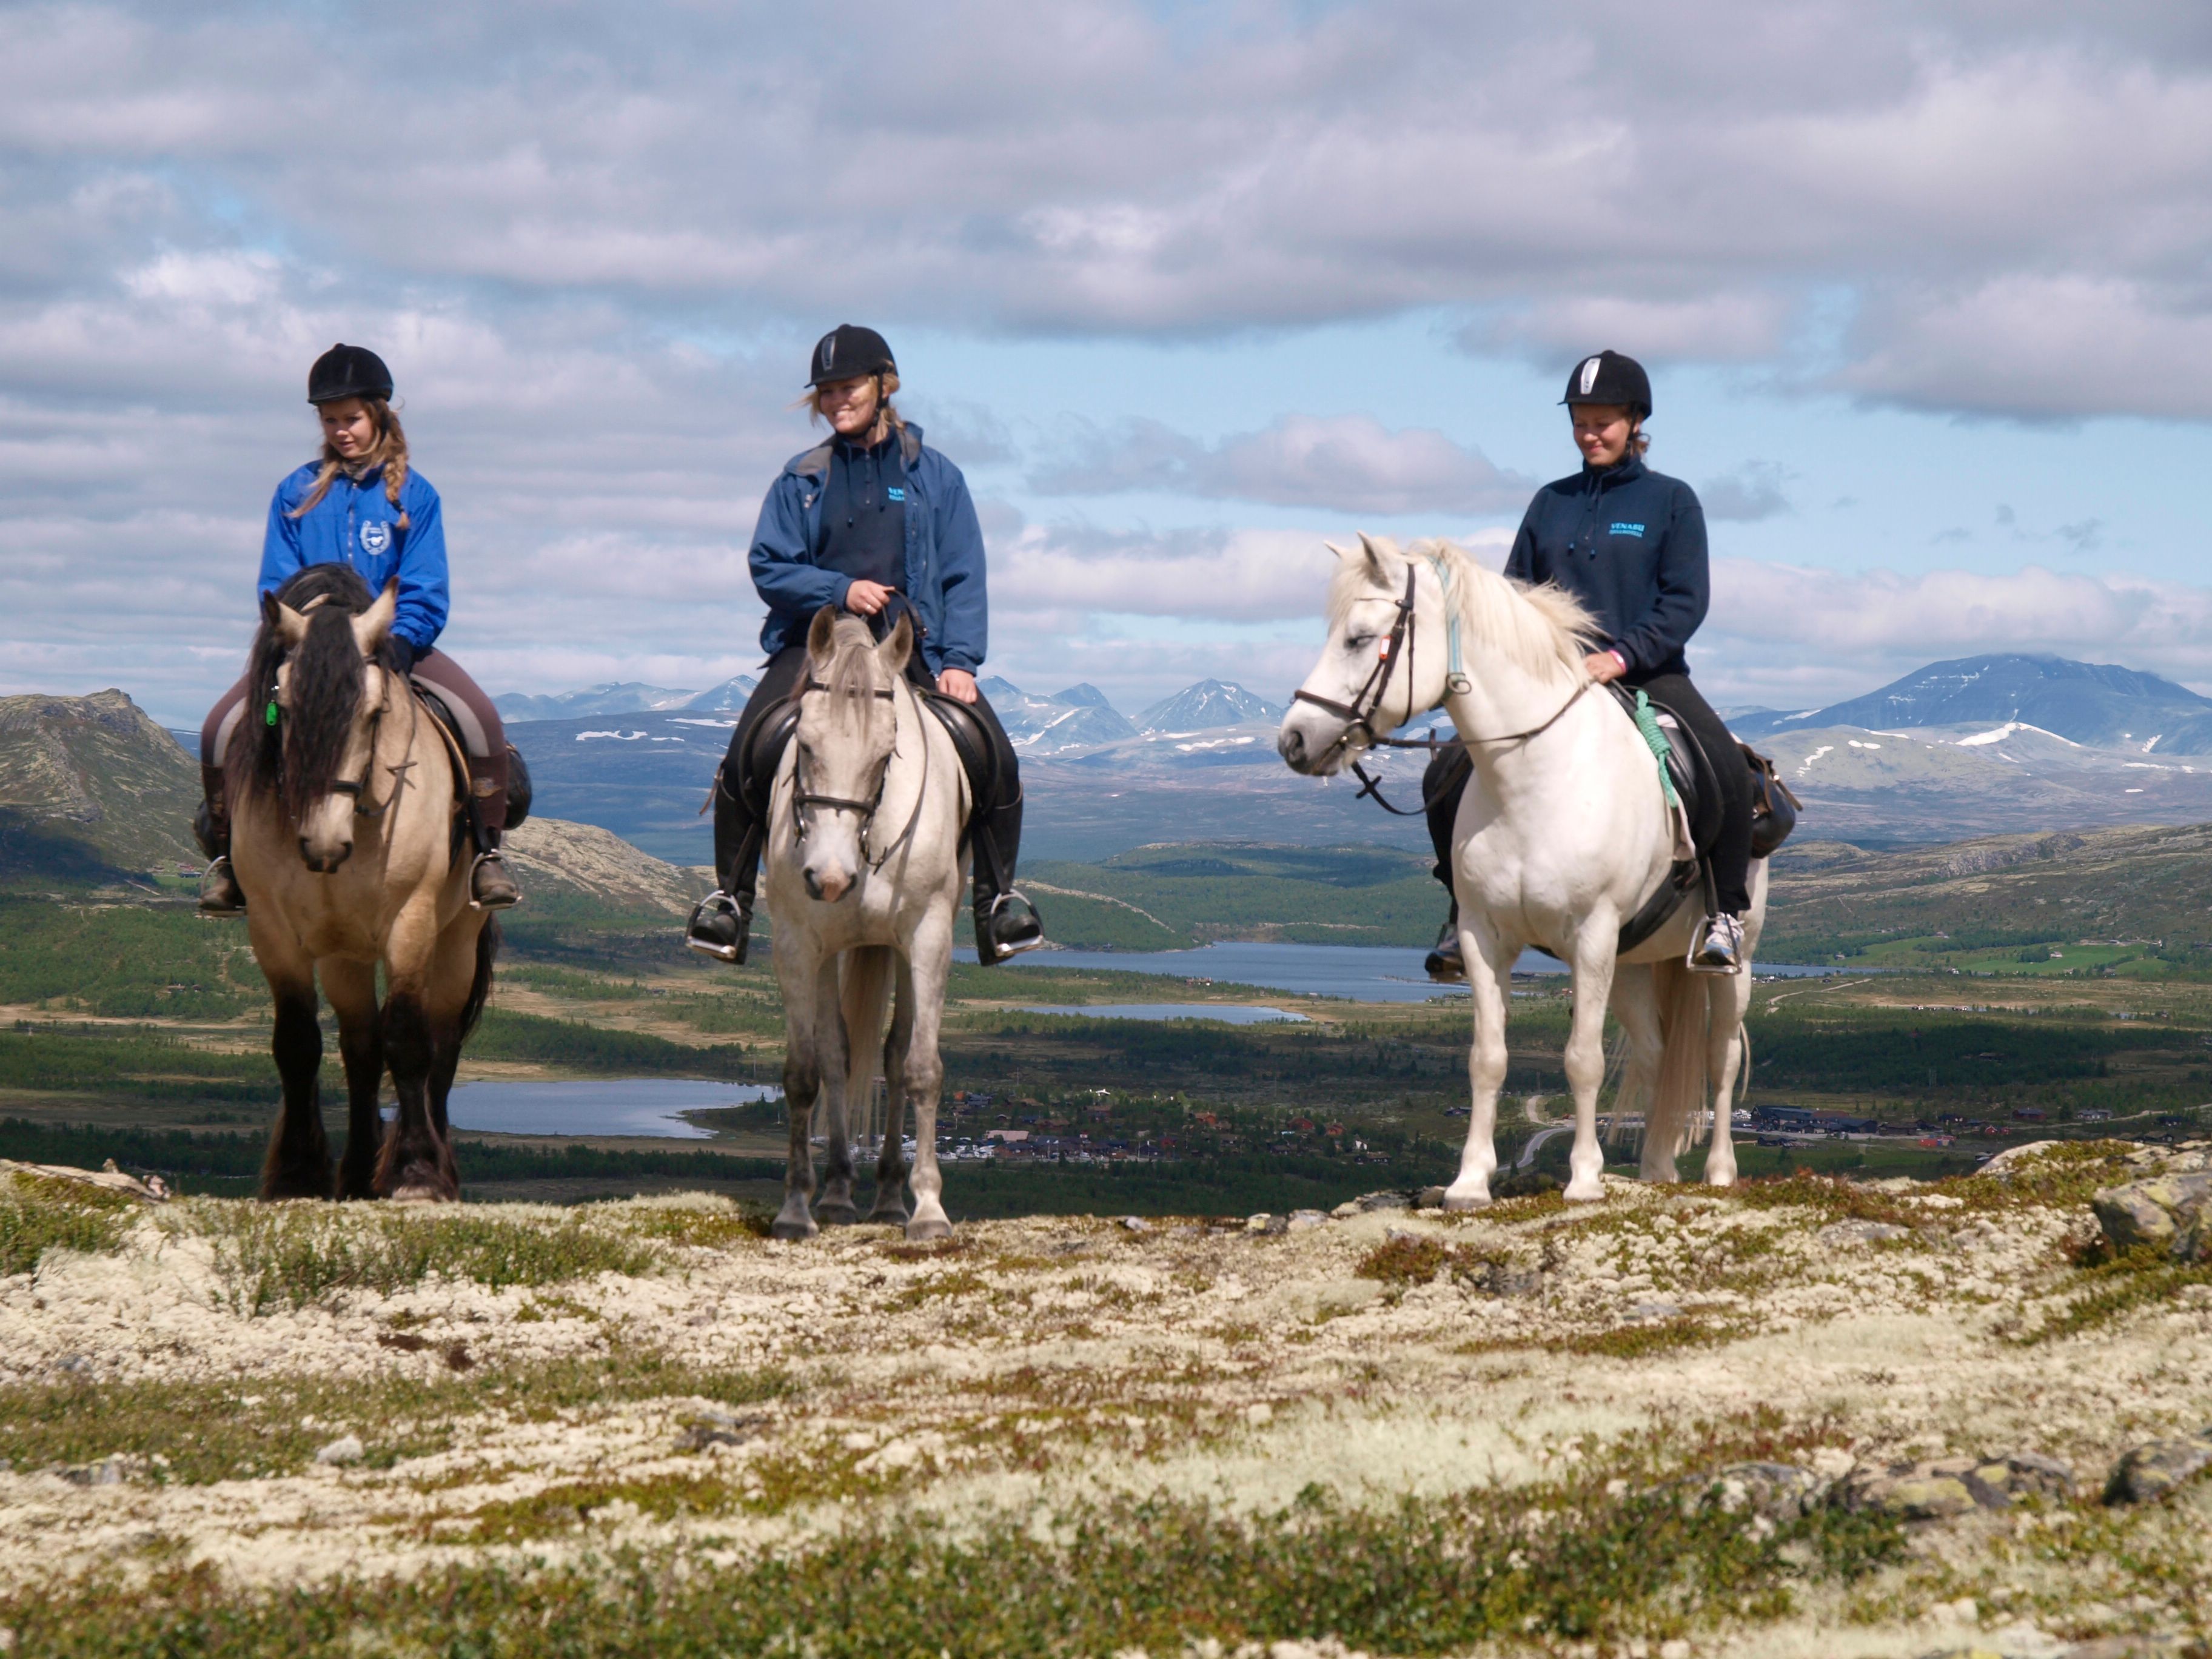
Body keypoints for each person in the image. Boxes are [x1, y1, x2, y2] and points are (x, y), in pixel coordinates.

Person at [686, 324, 1042, 967]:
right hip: (815, 648)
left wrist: (961, 662)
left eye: (847, 387)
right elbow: (769, 565)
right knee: (746, 753)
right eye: (825, 391)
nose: (835, 400)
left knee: (998, 761)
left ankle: (997, 904)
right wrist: (839, 589)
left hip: (913, 647)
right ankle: (730, 903)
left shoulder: (936, 477)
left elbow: (964, 572)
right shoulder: (801, 478)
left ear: (884, 386)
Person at [1423, 349, 1752, 980]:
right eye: (1580, 421)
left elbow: (1686, 601)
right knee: (1446, 774)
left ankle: (1724, 915)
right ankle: (1458, 907)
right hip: (1550, 685)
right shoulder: (1550, 503)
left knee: (1725, 767)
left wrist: (1622, 656)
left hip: (1648, 675)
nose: (1590, 433)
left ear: (1634, 422)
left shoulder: (1673, 502)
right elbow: (1513, 596)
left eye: (1603, 421)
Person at [195, 344, 520, 913]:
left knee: (482, 721)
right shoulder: (294, 492)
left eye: (352, 418)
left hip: (389, 644)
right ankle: (227, 858)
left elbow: (425, 582)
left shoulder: (415, 495)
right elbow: (277, 578)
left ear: (379, 415)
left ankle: (485, 854)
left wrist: (402, 636)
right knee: (219, 729)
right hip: (307, 647)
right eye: (329, 420)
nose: (341, 430)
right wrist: (293, 633)